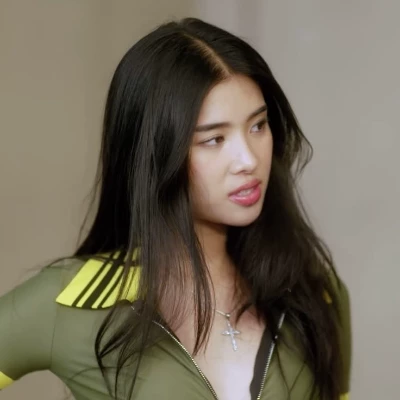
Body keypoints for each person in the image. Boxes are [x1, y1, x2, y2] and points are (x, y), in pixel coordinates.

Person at [0, 17, 351, 400]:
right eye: (214, 139)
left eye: (258, 126)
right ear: (155, 153)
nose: (248, 159)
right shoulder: (71, 303)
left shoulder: (316, 296)